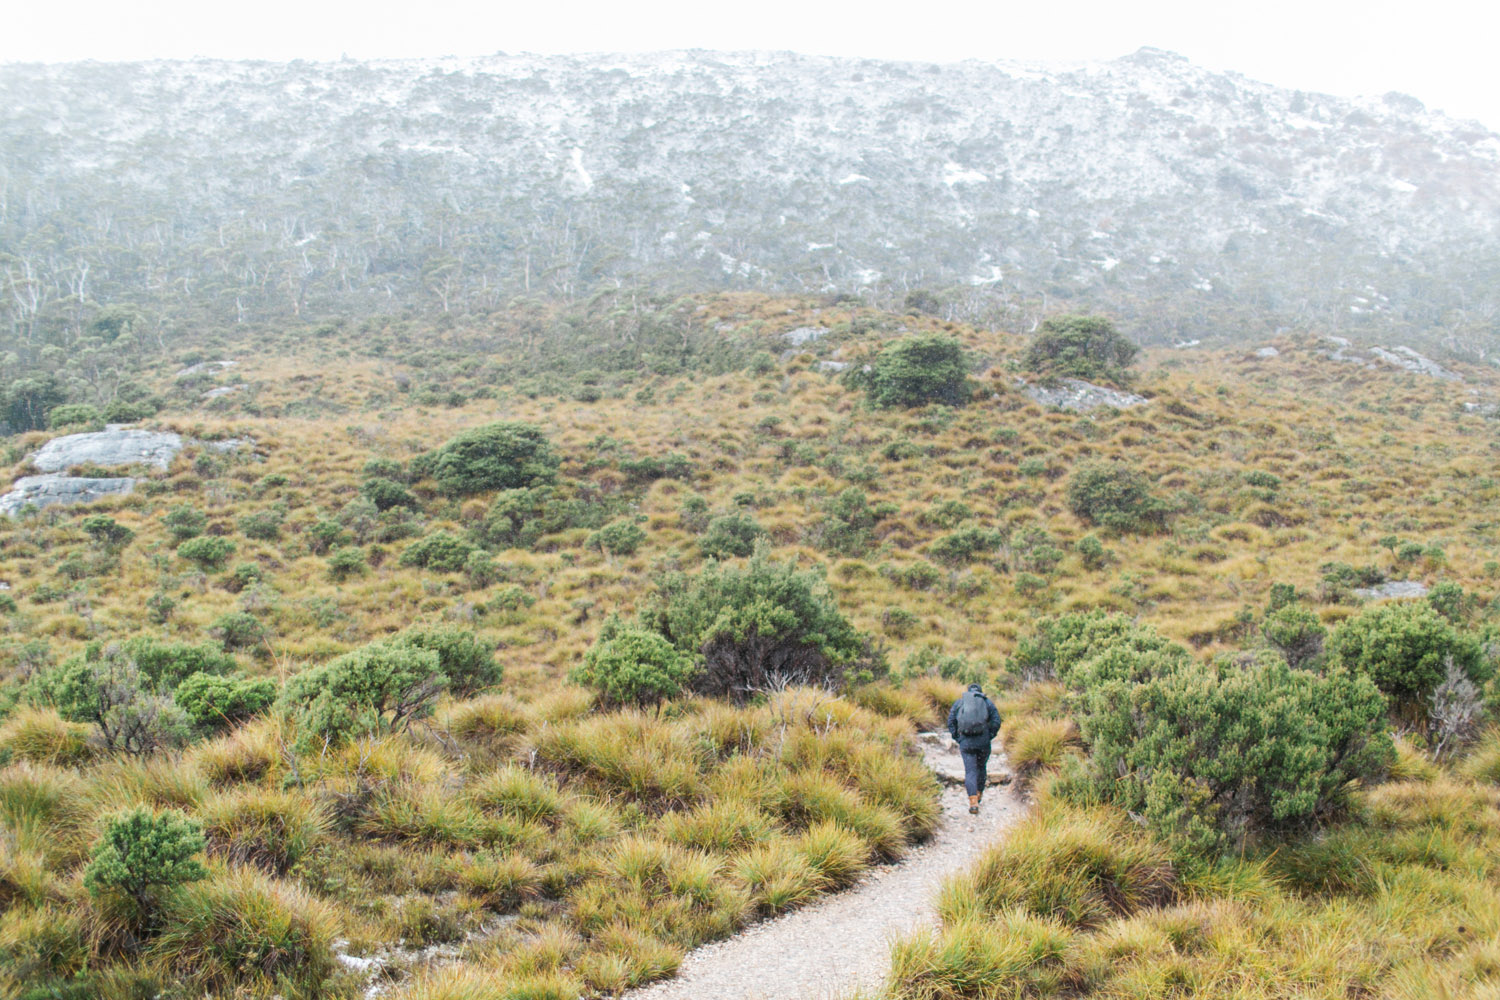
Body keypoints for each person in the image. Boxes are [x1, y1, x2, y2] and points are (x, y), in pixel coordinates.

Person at [946, 682, 1001, 814]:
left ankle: (973, 802)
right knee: (981, 768)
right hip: (983, 742)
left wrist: (958, 738)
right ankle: (979, 794)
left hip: (966, 743)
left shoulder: (960, 703)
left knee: (970, 771)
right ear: (980, 692)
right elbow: (996, 721)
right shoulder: (987, 702)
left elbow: (950, 722)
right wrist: (989, 736)